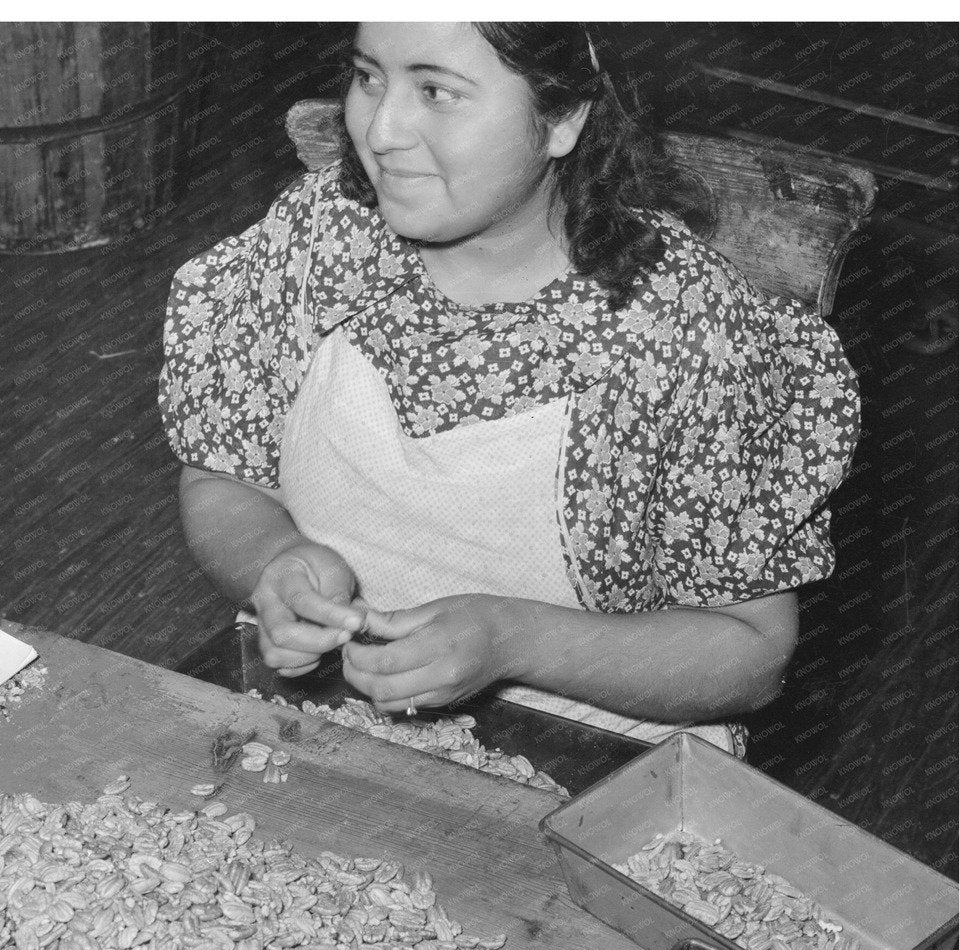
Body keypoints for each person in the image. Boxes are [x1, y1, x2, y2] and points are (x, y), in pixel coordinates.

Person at [158, 22, 860, 755]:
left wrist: (511, 639)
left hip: (595, 759)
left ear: (563, 118)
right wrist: (274, 563)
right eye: (369, 77)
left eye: (436, 90)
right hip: (316, 723)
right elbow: (217, 476)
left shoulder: (681, 330)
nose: (381, 130)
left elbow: (750, 654)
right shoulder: (318, 239)